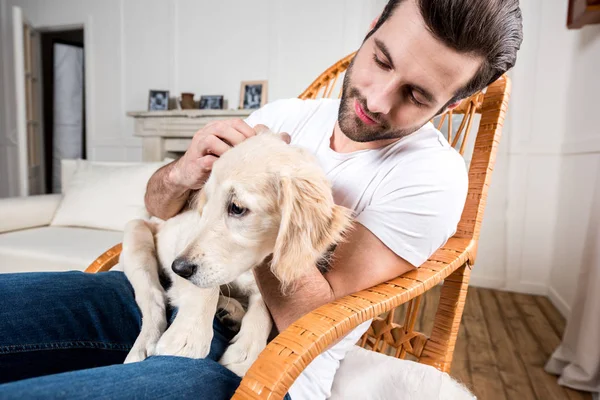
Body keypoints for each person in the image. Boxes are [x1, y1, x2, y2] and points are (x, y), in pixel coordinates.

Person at [0, 0, 523, 398]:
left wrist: (282, 213)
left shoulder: (431, 178)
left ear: (454, 101)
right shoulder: (287, 116)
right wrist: (185, 172)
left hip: (259, 362)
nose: (376, 100)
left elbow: (309, 325)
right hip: (167, 288)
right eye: (380, 60)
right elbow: (160, 209)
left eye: (416, 95)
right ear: (369, 34)